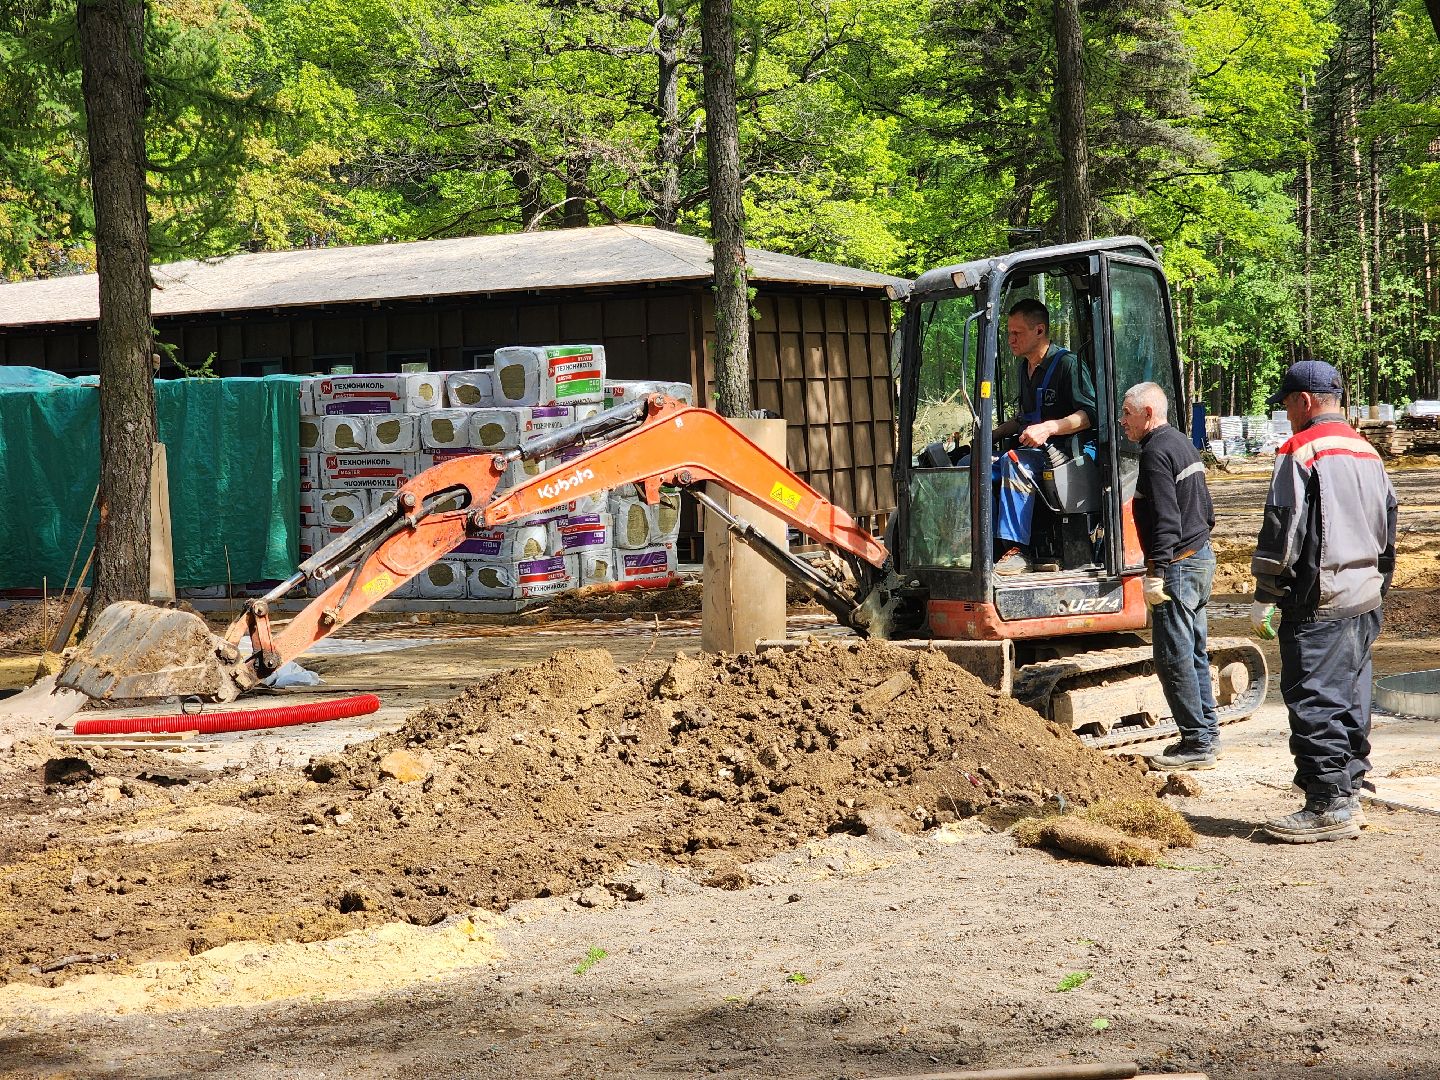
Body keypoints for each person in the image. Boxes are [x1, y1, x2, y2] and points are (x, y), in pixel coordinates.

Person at [1251, 359, 1397, 843]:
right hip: (1364, 597)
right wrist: (1378, 585)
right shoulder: (1367, 451)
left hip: (1320, 600)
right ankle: (1350, 789)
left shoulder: (1300, 450)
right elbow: (1389, 526)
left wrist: (1266, 593)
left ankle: (1327, 804)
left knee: (1314, 699)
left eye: (1288, 405)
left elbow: (1283, 527)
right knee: (1352, 698)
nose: (1287, 415)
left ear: (1305, 401)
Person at [1118, 382, 1221, 770]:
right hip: (1200, 558)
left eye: (1127, 413)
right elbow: (1205, 509)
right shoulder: (1181, 443)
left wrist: (1157, 571)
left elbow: (1166, 518)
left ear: (1147, 413)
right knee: (1193, 652)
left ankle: (1197, 742)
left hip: (1178, 566)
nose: (1122, 421)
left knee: (1173, 657)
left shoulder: (1155, 452)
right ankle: (1207, 735)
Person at [990, 299, 1097, 574]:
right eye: (1009, 333)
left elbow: (1090, 414)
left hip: (1068, 455)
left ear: (1039, 330)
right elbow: (1024, 418)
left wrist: (1049, 428)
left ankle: (1017, 551)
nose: (1011, 339)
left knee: (1014, 462)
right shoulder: (1024, 369)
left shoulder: (1067, 365)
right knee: (978, 466)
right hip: (1034, 453)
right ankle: (987, 547)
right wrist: (993, 434)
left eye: (1017, 333)